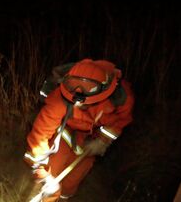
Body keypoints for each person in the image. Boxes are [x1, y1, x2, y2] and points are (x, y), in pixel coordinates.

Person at [24, 59, 135, 201]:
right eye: (73, 87)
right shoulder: (60, 99)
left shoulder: (121, 98)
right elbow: (40, 135)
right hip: (65, 129)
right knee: (52, 171)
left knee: (74, 178)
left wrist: (103, 140)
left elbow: (121, 121)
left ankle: (64, 198)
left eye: (87, 90)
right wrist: (42, 174)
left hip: (91, 138)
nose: (78, 95)